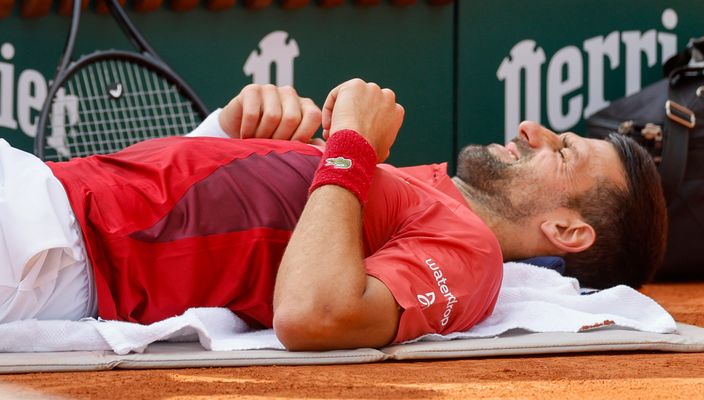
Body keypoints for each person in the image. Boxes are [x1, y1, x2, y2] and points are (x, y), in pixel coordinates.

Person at [0, 79, 667, 351]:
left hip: (47, 252)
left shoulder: (472, 255)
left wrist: (349, 146)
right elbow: (220, 210)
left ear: (569, 232)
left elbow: (313, 313)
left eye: (563, 149)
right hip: (47, 196)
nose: (532, 130)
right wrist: (230, 128)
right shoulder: (418, 185)